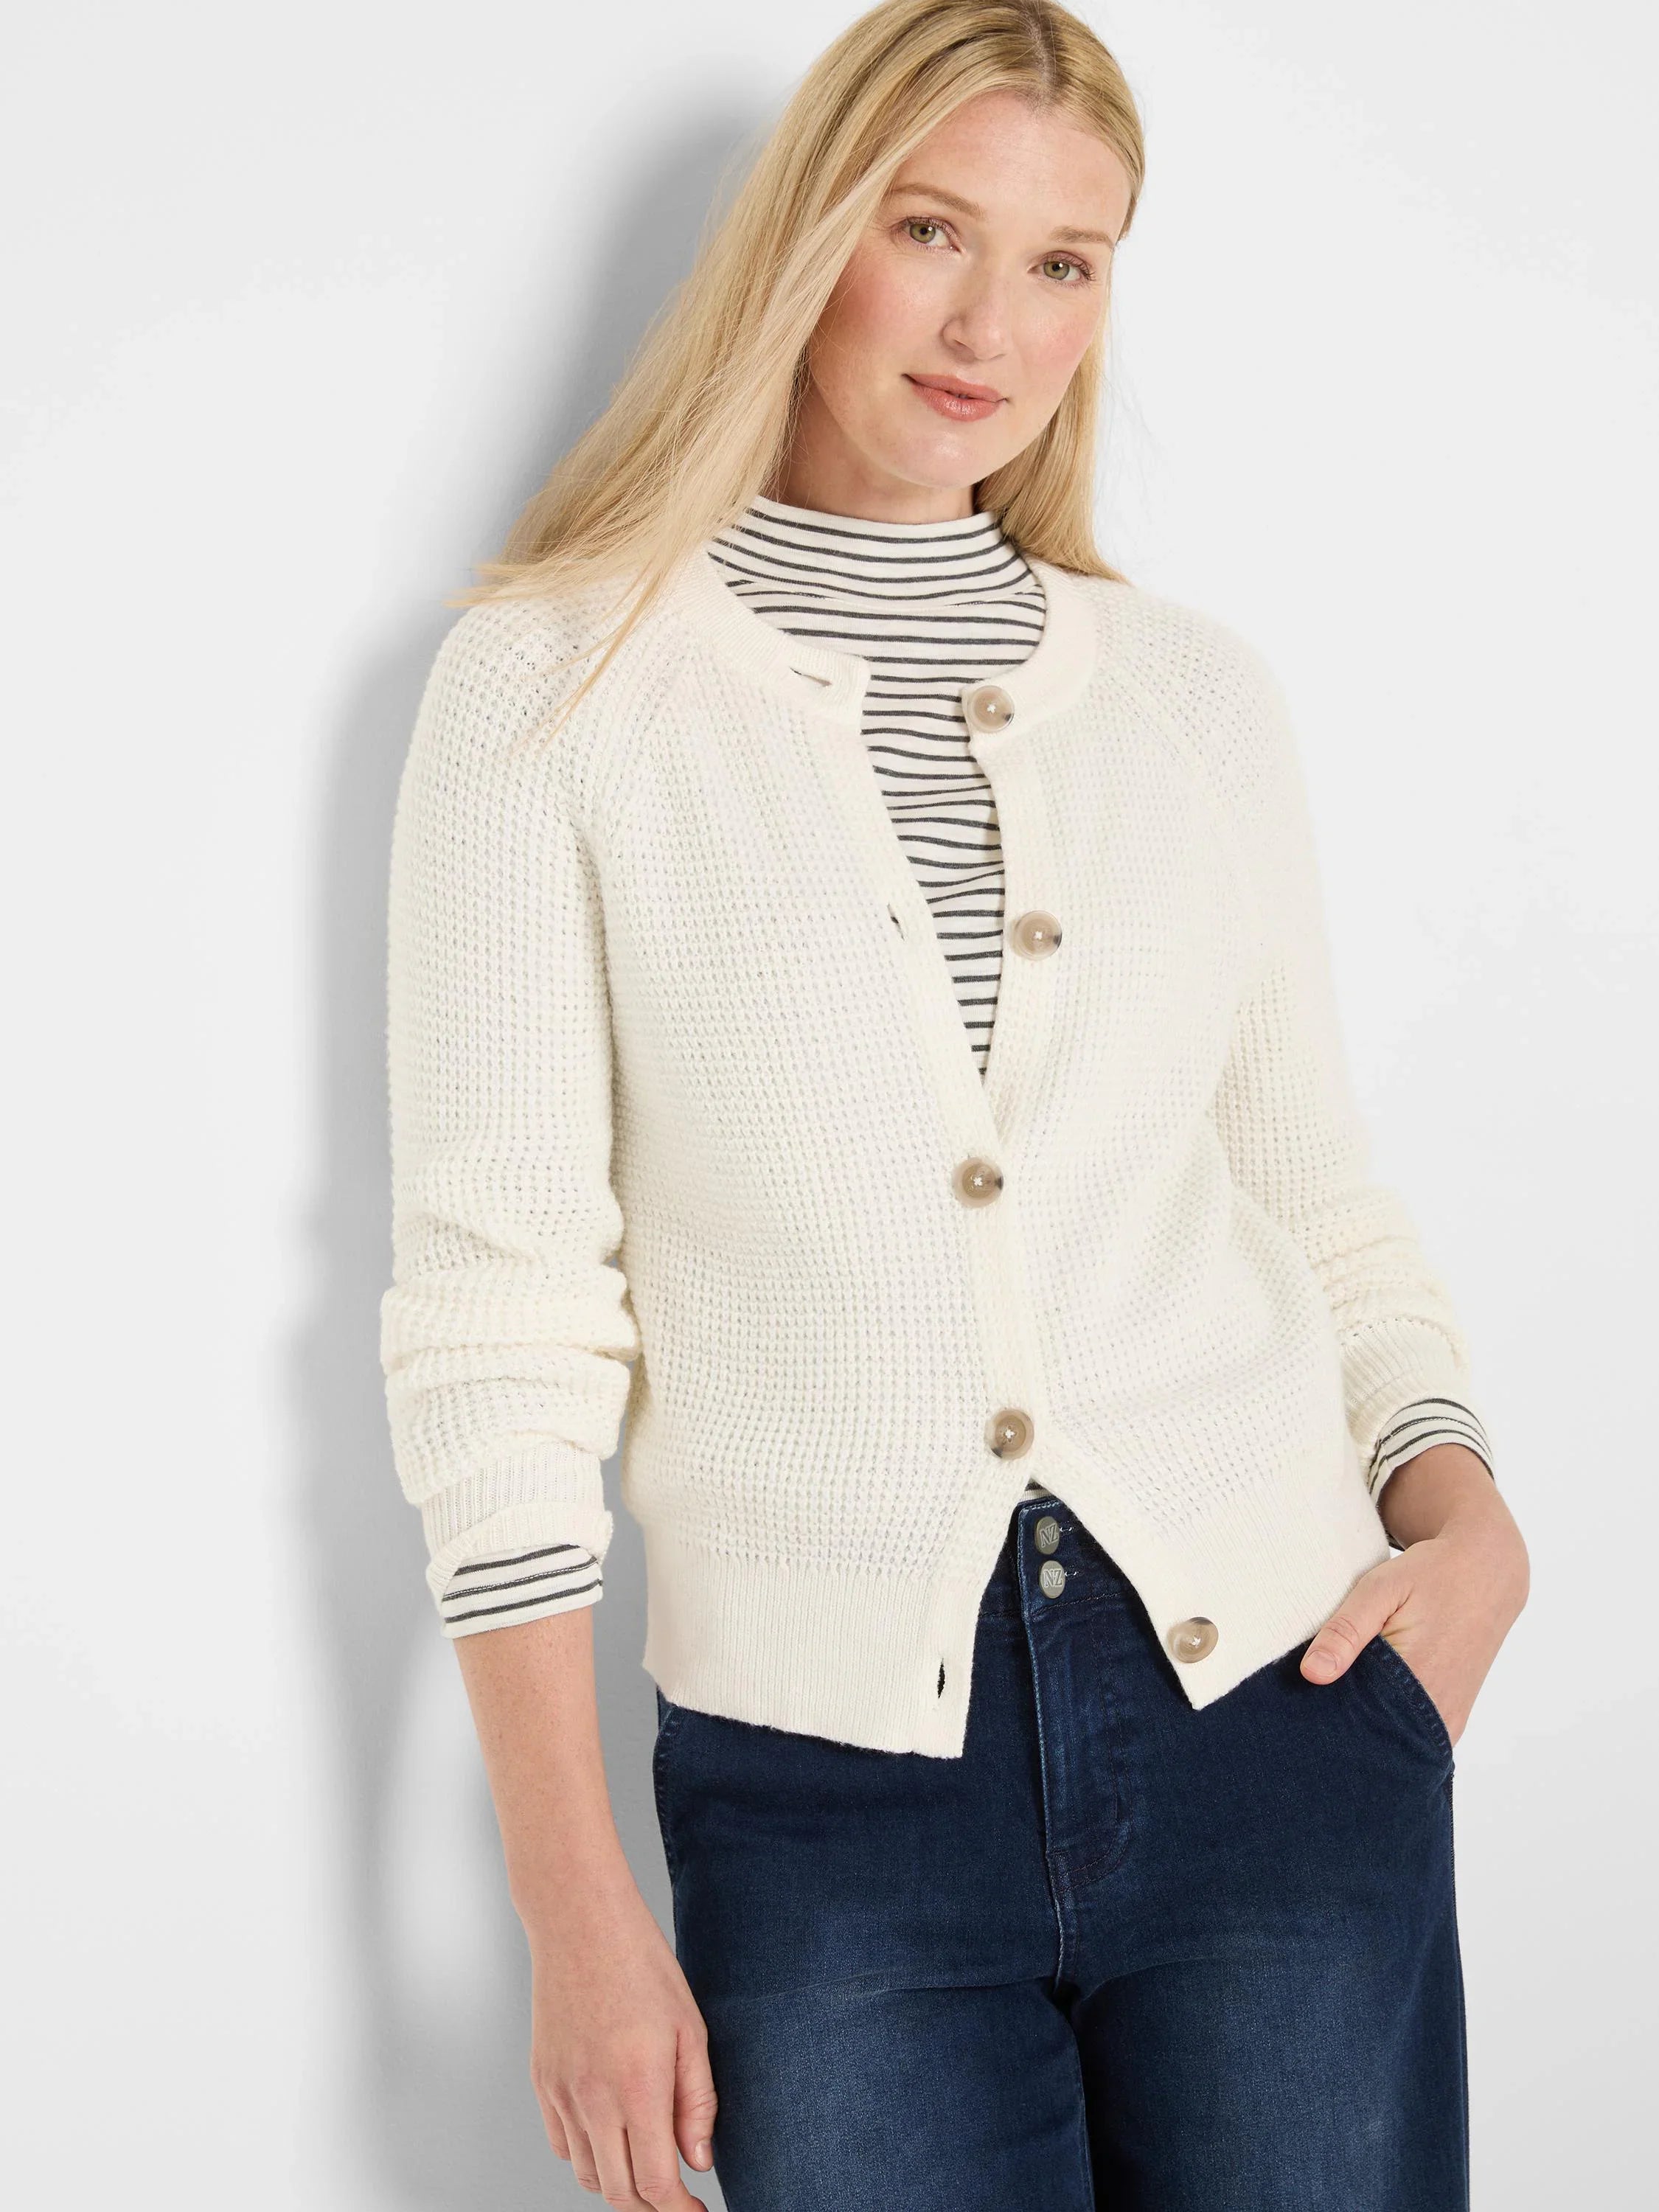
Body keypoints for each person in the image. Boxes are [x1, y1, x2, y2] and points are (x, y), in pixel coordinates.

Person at [376, 3, 1529, 2206]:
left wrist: (1465, 1526)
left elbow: (1313, 1197)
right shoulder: (550, 688)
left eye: (1064, 261)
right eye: (930, 231)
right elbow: (499, 1317)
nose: (993, 325)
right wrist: (574, 1905)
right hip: (827, 1801)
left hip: (1277, 1717)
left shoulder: (1189, 701)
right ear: (807, 235)